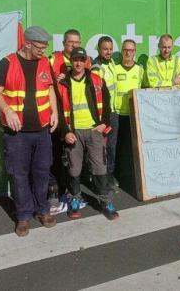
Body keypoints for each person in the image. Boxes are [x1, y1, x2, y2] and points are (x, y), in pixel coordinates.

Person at [0, 25, 59, 237]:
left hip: (42, 131)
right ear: (27, 43)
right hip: (17, 134)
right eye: (39, 46)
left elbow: (49, 90)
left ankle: (43, 210)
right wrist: (7, 110)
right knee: (18, 175)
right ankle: (23, 216)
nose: (43, 51)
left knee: (42, 172)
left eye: (45, 47)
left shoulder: (45, 63)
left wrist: (54, 111)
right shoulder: (7, 63)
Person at [57, 47, 119, 221]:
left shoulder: (97, 80)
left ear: (86, 62)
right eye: (75, 59)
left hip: (94, 131)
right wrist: (66, 131)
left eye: (81, 59)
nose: (78, 63)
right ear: (71, 60)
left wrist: (104, 124)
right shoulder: (63, 84)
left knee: (100, 168)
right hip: (74, 133)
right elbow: (60, 112)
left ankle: (105, 202)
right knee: (74, 169)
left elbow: (107, 105)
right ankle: (75, 199)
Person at [48, 29, 90, 209]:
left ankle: (71, 192)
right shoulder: (54, 59)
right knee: (56, 156)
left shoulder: (83, 61)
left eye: (77, 42)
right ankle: (55, 191)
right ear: (64, 43)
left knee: (72, 158)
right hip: (56, 116)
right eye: (71, 42)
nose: (74, 45)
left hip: (76, 119)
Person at [110, 39, 145, 188]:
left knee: (130, 147)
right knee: (113, 146)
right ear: (122, 51)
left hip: (133, 115)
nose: (128, 52)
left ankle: (127, 175)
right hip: (117, 114)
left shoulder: (140, 70)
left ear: (134, 52)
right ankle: (111, 175)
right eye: (125, 50)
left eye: (131, 50)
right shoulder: (115, 68)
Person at [91, 36, 120, 189]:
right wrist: (102, 118)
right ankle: (102, 180)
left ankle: (110, 175)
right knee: (102, 148)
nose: (108, 52)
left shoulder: (112, 63)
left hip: (114, 113)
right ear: (99, 49)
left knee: (112, 147)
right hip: (104, 116)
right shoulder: (96, 67)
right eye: (105, 49)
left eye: (110, 49)